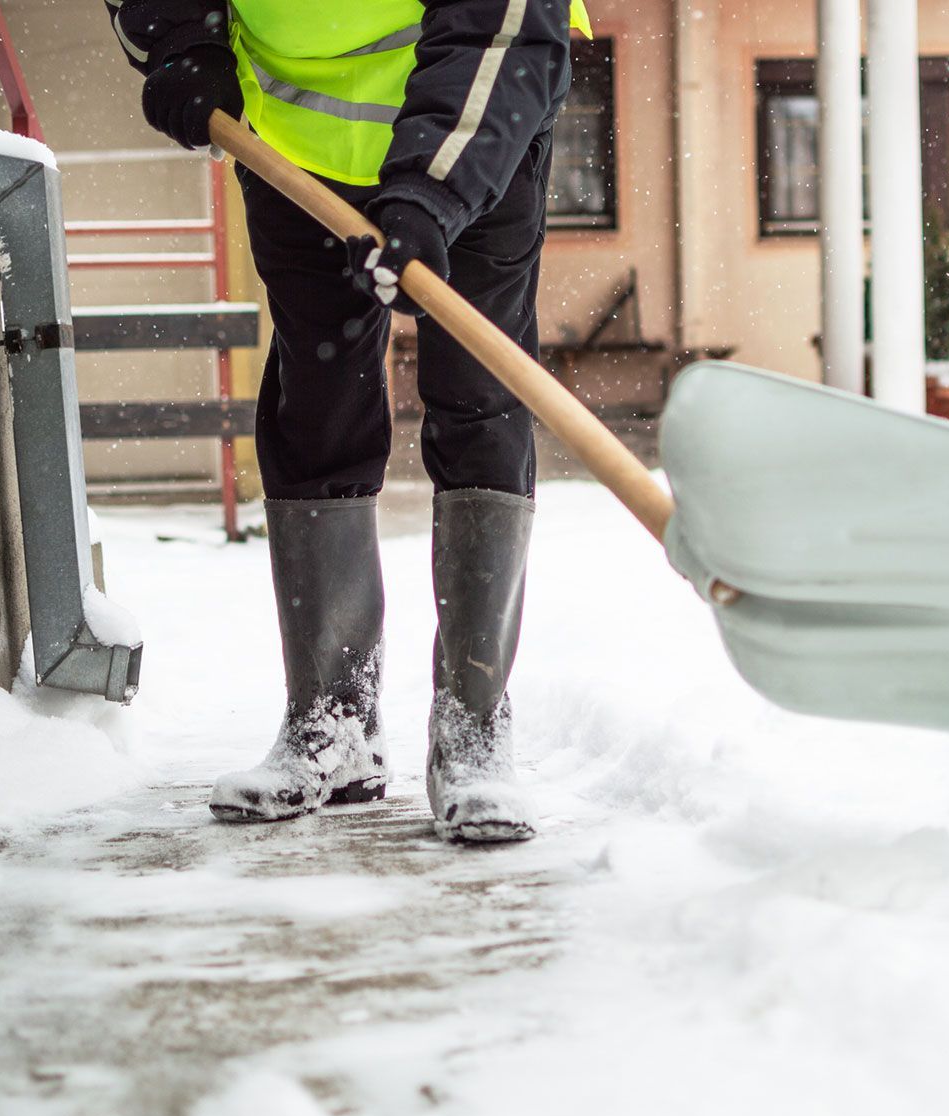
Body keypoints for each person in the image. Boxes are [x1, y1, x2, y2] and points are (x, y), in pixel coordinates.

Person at [105, 0, 590, 840]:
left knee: (478, 390)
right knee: (316, 400)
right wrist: (180, 36)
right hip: (290, 136)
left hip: (477, 114)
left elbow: (502, 23)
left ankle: (473, 726)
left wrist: (433, 192)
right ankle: (334, 720)